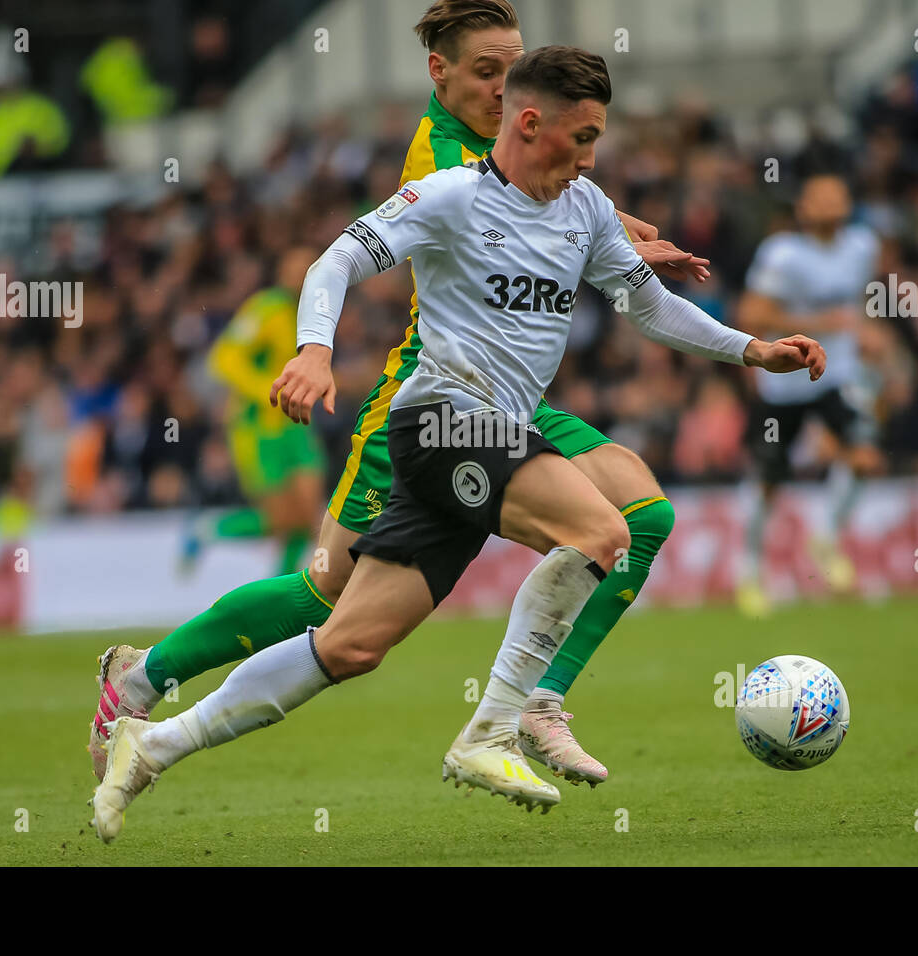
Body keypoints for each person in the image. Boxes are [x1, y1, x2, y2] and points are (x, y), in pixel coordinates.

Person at [91, 45, 825, 841]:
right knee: (602, 531)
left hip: (494, 433)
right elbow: (337, 260)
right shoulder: (449, 197)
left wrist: (753, 349)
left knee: (350, 643)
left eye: (596, 141)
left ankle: (152, 746)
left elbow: (647, 305)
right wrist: (313, 348)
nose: (589, 158)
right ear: (531, 122)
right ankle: (498, 727)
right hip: (443, 418)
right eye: (580, 139)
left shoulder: (582, 208)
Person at [736, 174, 882, 617]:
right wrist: (824, 324)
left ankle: (826, 537)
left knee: (864, 457)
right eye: (819, 196)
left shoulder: (862, 246)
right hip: (783, 385)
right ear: (803, 207)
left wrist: (868, 334)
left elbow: (855, 310)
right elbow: (752, 314)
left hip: (837, 376)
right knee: (768, 483)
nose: (830, 203)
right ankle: (751, 575)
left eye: (837, 194)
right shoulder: (782, 254)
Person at [178, 247, 327, 578]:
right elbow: (224, 357)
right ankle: (208, 530)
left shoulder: (313, 311)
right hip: (258, 427)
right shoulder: (267, 307)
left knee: (309, 517)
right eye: (297, 266)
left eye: (310, 267)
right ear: (282, 271)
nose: (304, 274)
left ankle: (284, 592)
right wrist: (266, 390)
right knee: (283, 521)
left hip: (296, 424)